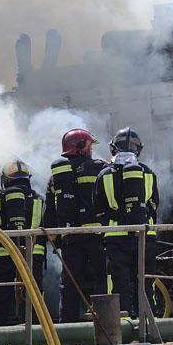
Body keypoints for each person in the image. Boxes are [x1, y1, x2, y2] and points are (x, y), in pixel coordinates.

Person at [94, 127, 160, 317]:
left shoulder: (104, 175)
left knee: (117, 285)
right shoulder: (148, 173)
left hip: (116, 239)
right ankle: (149, 325)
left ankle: (120, 327)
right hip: (145, 237)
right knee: (146, 283)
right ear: (139, 150)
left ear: (113, 149)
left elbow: (98, 209)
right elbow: (155, 205)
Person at [44, 128, 107, 323]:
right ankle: (104, 321)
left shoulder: (57, 175)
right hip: (97, 235)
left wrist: (53, 234)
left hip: (70, 236)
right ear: (83, 147)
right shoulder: (99, 168)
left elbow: (50, 211)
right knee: (103, 278)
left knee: (69, 283)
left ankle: (67, 327)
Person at [0, 159, 46, 326]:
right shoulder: (39, 200)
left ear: (5, 180)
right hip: (33, 256)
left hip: (4, 257)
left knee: (0, 297)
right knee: (34, 298)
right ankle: (39, 337)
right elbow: (50, 226)